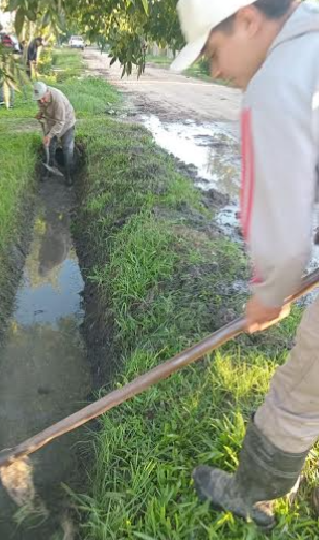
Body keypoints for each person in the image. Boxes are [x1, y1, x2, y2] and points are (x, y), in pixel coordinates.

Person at [170, 0, 319, 528]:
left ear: (251, 20)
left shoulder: (277, 83)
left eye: (213, 50)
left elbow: (280, 224)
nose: (215, 70)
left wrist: (268, 293)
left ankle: (254, 495)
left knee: (299, 394)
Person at [33, 81, 76, 183]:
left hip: (66, 123)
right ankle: (49, 169)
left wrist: (49, 135)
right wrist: (40, 113)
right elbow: (44, 107)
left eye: (43, 98)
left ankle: (68, 174)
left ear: (48, 92)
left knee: (67, 148)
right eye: (39, 99)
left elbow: (60, 122)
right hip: (52, 123)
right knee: (49, 147)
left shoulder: (57, 99)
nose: (42, 101)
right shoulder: (40, 99)